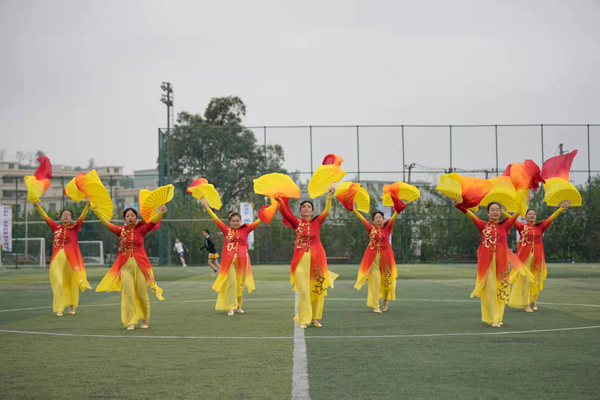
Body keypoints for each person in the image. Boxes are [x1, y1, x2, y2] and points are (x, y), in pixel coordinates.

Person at [275, 184, 339, 329]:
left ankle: (315, 318)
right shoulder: (296, 223)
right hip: (300, 261)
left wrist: (329, 196)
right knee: (303, 291)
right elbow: (286, 214)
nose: (306, 209)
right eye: (303, 207)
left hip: (317, 260)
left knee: (318, 289)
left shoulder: (317, 222)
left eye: (308, 207)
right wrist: (279, 202)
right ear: (300, 210)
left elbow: (327, 211)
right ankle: (303, 319)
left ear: (312, 210)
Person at [94, 206, 167, 330]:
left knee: (142, 294)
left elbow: (152, 223)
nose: (130, 218)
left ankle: (145, 319)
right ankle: (130, 321)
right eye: (127, 216)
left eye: (132, 215)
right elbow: (106, 223)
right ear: (124, 219)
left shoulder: (141, 230)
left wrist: (160, 212)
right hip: (125, 268)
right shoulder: (120, 231)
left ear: (136, 217)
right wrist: (96, 210)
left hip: (141, 267)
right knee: (128, 294)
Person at [454, 200, 521, 327]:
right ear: (488, 213)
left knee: (500, 290)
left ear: (501, 212)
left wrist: (524, 201)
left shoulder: (505, 225)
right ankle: (494, 318)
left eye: (497, 210)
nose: (495, 212)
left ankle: (499, 317)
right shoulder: (483, 225)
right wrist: (459, 205)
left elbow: (517, 214)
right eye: (493, 210)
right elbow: (470, 214)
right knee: (490, 290)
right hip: (487, 264)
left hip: (502, 263)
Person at [201, 199, 263, 316]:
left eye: (237, 221)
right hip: (229, 261)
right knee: (232, 283)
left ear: (240, 221)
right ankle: (231, 307)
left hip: (242, 260)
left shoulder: (246, 229)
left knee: (240, 284)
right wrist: (207, 208)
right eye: (233, 221)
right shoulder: (226, 230)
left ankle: (239, 306)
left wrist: (268, 212)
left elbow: (258, 222)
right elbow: (216, 219)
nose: (235, 223)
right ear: (230, 221)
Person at [33, 201, 92, 317]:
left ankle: (72, 304)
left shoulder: (75, 228)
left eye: (68, 215)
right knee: (59, 283)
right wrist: (38, 206)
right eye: (64, 214)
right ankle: (59, 308)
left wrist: (87, 205)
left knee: (72, 282)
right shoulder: (56, 227)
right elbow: (46, 218)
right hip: (57, 258)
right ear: (60, 217)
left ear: (71, 218)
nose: (66, 216)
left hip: (71, 259)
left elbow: (82, 217)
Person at [506, 204, 569, 312]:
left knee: (536, 280)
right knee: (525, 280)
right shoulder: (521, 227)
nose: (531, 215)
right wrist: (503, 211)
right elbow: (511, 219)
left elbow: (551, 218)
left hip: (538, 259)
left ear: (536, 217)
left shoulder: (540, 227)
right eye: (529, 214)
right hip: (524, 259)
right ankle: (526, 304)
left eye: (533, 214)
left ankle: (533, 301)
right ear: (525, 217)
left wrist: (560, 209)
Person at [352, 202, 405, 313]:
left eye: (380, 217)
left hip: (386, 257)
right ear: (373, 220)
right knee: (375, 282)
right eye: (376, 218)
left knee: (387, 281)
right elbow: (362, 219)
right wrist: (355, 210)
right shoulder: (370, 228)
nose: (378, 219)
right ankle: (376, 306)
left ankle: (385, 301)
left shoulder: (388, 227)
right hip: (373, 258)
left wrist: (398, 208)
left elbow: (395, 216)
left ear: (383, 218)